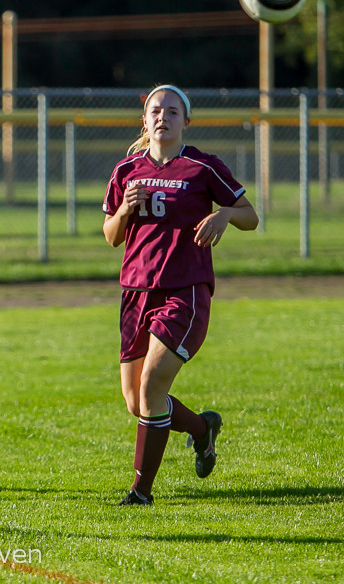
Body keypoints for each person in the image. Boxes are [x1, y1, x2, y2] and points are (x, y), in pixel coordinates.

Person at [102, 85, 258, 506]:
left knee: (152, 385)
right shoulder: (126, 170)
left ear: (186, 121)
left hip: (185, 291)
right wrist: (124, 210)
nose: (163, 117)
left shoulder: (202, 166)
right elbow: (111, 236)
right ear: (145, 120)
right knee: (137, 402)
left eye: (172, 111)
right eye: (156, 110)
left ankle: (141, 493)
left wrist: (225, 215)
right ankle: (202, 430)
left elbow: (251, 217)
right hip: (136, 292)